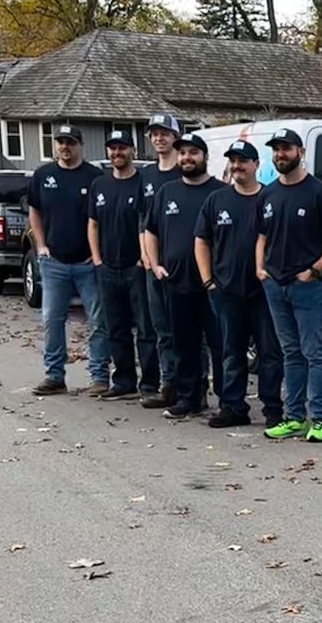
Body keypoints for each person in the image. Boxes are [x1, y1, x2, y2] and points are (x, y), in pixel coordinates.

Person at [257, 128, 322, 442]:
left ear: (300, 152)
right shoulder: (268, 194)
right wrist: (261, 270)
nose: (280, 154)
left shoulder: (320, 193)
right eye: (276, 150)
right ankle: (294, 417)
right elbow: (262, 236)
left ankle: (320, 420)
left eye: (286, 148)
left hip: (309, 286)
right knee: (291, 353)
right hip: (275, 285)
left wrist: (314, 271)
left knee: (314, 353)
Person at [195, 140, 283, 429]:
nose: (237, 166)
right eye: (233, 161)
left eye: (243, 161)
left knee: (270, 353)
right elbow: (202, 241)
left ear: (257, 165)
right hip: (227, 291)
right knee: (231, 353)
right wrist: (208, 281)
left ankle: (273, 409)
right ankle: (233, 407)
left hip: (264, 292)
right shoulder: (217, 201)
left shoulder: (271, 199)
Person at [144, 133, 223, 419]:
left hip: (213, 286)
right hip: (176, 282)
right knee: (183, 344)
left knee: (219, 345)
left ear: (204, 157)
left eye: (193, 153)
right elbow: (150, 230)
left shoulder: (220, 192)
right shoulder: (167, 192)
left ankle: (227, 401)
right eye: (183, 153)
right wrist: (155, 264)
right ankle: (189, 398)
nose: (187, 158)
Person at [27, 123, 107, 396]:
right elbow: (34, 211)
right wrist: (41, 245)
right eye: (60, 142)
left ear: (80, 144)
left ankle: (99, 376)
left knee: (98, 319)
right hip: (54, 263)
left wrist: (97, 255)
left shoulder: (95, 177)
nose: (65, 147)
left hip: (88, 262)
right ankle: (54, 375)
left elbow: (101, 218)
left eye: (70, 142)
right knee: (52, 319)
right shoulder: (43, 175)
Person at [87, 129, 152, 400]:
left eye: (122, 148)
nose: (117, 153)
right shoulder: (99, 185)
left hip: (135, 267)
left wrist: (142, 258)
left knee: (146, 329)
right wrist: (98, 260)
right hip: (108, 268)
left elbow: (149, 223)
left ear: (133, 151)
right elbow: (92, 224)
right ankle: (124, 381)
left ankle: (149, 384)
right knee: (116, 327)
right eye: (112, 148)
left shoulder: (143, 182)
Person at [138, 113, 184, 409]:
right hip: (154, 266)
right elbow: (143, 222)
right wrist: (147, 258)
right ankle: (168, 384)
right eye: (154, 133)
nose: (159, 138)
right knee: (161, 330)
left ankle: (193, 385)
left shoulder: (186, 171)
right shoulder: (146, 176)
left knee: (190, 331)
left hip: (184, 266)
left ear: (175, 137)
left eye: (165, 133)